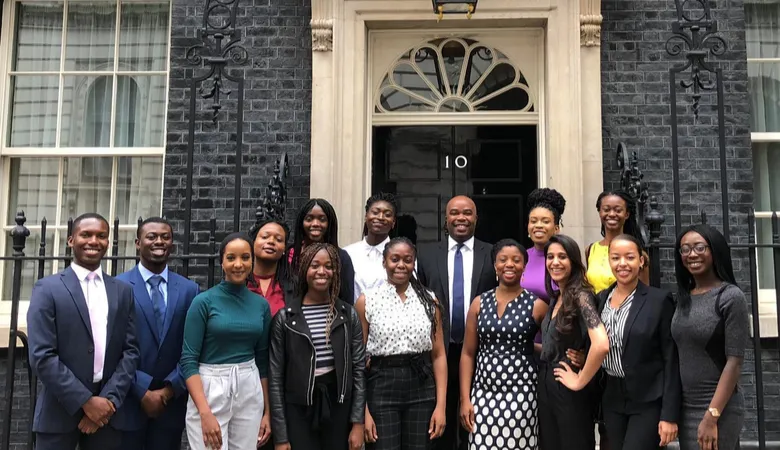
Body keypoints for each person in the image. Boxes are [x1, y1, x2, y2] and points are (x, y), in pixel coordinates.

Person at [27, 213, 140, 450]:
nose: (93, 241)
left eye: (101, 236)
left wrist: (107, 401)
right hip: (58, 413)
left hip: (108, 416)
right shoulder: (47, 289)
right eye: (85, 235)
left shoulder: (122, 291)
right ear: (71, 240)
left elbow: (130, 351)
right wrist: (86, 402)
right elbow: (42, 355)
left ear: (108, 242)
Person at [416, 195, 496, 450]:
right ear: (446, 218)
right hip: (438, 353)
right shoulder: (426, 255)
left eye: (467, 213)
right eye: (455, 213)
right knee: (440, 426)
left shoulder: (493, 253)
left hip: (481, 354)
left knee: (477, 423)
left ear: (476, 217)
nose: (461, 218)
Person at [269, 243, 366, 450]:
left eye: (328, 266)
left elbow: (358, 369)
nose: (322, 271)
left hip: (338, 405)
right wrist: (281, 436)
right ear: (305, 270)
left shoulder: (347, 315)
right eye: (315, 265)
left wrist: (357, 423)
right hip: (299, 408)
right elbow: (275, 378)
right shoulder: (286, 318)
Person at [114, 217, 200, 450]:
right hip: (129, 402)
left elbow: (194, 346)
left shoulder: (189, 290)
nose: (159, 241)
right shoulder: (117, 287)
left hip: (171, 405)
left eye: (165, 237)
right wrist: (141, 390)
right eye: (151, 236)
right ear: (137, 243)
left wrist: (169, 390)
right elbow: (112, 347)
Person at [181, 233, 272, 450]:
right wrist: (204, 412)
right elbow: (188, 360)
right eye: (231, 258)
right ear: (222, 261)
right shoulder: (203, 302)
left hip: (249, 385)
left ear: (252, 261)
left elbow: (262, 360)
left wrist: (267, 412)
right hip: (210, 386)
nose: (238, 264)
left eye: (245, 257)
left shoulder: (260, 305)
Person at [356, 237, 447, 450]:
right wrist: (363, 411)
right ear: (384, 262)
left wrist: (441, 406)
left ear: (414, 263)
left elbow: (439, 354)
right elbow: (357, 358)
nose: (400, 265)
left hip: (421, 385)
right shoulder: (367, 300)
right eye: (394, 259)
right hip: (381, 384)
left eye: (407, 260)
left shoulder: (429, 300)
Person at [459, 239, 548, 450]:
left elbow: (553, 347)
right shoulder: (479, 303)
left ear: (524, 266)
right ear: (494, 266)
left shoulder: (537, 305)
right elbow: (468, 353)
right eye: (503, 260)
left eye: (516, 260)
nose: (509, 264)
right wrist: (465, 399)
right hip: (482, 393)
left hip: (522, 394)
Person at [594, 234, 680, 450]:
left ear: (641, 261)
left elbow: (671, 359)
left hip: (648, 399)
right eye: (616, 258)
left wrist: (669, 414)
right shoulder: (601, 299)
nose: (622, 264)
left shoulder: (659, 300)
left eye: (629, 257)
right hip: (612, 398)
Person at [671, 224, 749, 450]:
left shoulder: (730, 297)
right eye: (684, 249)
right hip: (687, 407)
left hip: (717, 407)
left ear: (714, 250)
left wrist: (711, 416)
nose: (691, 254)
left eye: (699, 247)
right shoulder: (684, 298)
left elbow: (734, 362)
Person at [537, 234, 609, 450]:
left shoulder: (582, 296)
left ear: (574, 262)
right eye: (550, 257)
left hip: (568, 388)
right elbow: (554, 345)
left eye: (562, 256)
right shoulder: (557, 296)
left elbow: (602, 344)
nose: (555, 262)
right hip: (547, 384)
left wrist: (579, 380)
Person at [290, 198, 356, 304]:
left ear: (329, 223)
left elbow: (347, 298)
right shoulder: (290, 256)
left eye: (322, 219)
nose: (315, 223)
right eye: (309, 219)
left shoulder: (342, 257)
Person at [586, 190, 649, 293]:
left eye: (618, 210)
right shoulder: (590, 250)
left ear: (627, 214)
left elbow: (644, 295)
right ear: (600, 212)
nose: (611, 214)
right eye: (606, 209)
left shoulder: (637, 253)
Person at [345, 193, 398, 300]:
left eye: (387, 214)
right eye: (375, 212)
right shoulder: (348, 253)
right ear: (366, 216)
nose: (380, 217)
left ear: (393, 222)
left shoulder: (403, 256)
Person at [521, 188, 565, 304]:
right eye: (534, 221)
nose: (538, 226)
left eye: (545, 221)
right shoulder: (521, 257)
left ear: (556, 228)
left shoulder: (564, 259)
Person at [248, 217, 294, 317]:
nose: (271, 241)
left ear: (284, 249)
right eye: (265, 237)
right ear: (253, 242)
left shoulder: (294, 286)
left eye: (278, 239)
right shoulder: (240, 282)